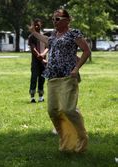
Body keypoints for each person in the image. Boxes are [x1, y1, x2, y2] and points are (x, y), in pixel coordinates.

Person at [29, 9, 91, 153]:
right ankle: (67, 141)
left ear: (67, 20)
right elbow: (47, 41)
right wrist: (34, 32)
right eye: (53, 19)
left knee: (68, 110)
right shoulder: (54, 35)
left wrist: (76, 68)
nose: (54, 22)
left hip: (68, 76)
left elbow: (86, 51)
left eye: (57, 19)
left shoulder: (73, 33)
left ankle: (82, 138)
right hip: (53, 77)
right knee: (53, 111)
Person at [28, 18, 48, 103]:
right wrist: (39, 56)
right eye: (35, 25)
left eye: (38, 24)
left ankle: (41, 96)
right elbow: (33, 48)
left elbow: (48, 47)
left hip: (43, 61)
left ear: (41, 25)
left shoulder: (45, 36)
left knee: (42, 78)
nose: (36, 26)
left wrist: (43, 54)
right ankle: (32, 97)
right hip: (36, 61)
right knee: (34, 78)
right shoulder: (31, 36)